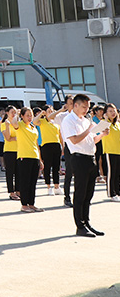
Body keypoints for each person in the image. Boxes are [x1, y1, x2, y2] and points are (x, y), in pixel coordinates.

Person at [60, 94, 110, 237]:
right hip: (78, 158)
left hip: (90, 158)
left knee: (89, 194)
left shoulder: (85, 120)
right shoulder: (69, 120)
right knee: (80, 193)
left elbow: (91, 140)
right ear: (75, 105)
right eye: (84, 107)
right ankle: (79, 225)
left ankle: (87, 222)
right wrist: (88, 130)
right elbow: (75, 140)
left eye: (88, 107)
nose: (86, 110)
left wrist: (102, 135)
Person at [16, 107, 43, 213]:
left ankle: (31, 203)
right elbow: (13, 122)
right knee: (25, 181)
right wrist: (16, 115)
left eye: (31, 115)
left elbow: (36, 144)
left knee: (33, 182)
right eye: (27, 115)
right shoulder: (20, 125)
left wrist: (40, 159)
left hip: (34, 156)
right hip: (24, 156)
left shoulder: (33, 127)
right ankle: (24, 204)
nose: (29, 117)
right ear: (22, 116)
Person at [34, 105, 65, 196]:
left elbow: (60, 136)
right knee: (47, 167)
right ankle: (49, 186)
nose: (51, 112)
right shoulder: (43, 121)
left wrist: (62, 146)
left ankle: (57, 186)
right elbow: (35, 121)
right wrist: (40, 114)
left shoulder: (56, 123)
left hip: (56, 145)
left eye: (52, 111)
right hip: (46, 146)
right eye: (49, 111)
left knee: (56, 167)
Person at [56, 95, 75, 207]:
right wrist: (61, 109)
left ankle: (79, 197)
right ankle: (67, 197)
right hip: (69, 146)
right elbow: (50, 117)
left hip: (80, 146)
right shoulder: (63, 116)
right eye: (71, 103)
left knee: (80, 173)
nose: (73, 105)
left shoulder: (81, 117)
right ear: (66, 104)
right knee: (69, 173)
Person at [1, 106, 20, 201]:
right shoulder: (4, 124)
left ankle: (18, 190)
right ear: (7, 113)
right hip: (9, 151)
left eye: (15, 112)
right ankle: (11, 192)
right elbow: (8, 138)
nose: (14, 114)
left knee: (18, 172)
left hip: (19, 150)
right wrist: (8, 126)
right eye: (12, 112)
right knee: (10, 172)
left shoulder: (17, 123)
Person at [101, 104, 120, 201]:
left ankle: (117, 192)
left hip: (118, 151)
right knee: (111, 173)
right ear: (106, 113)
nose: (113, 113)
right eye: (110, 111)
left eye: (114, 110)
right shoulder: (104, 123)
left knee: (118, 173)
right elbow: (102, 130)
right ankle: (111, 193)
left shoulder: (117, 124)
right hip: (109, 151)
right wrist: (105, 119)